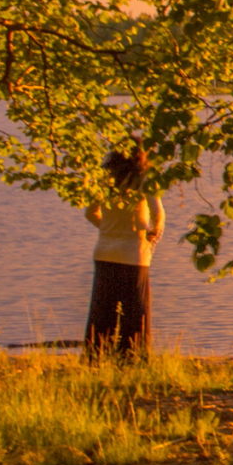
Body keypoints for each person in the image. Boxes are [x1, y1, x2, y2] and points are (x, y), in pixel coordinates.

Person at [83, 149, 163, 360]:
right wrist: (154, 233)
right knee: (136, 310)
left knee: (102, 310)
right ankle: (133, 356)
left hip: (104, 251)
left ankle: (96, 356)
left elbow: (90, 213)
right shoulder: (145, 180)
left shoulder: (105, 180)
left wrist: (107, 229)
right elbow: (158, 214)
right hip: (134, 253)